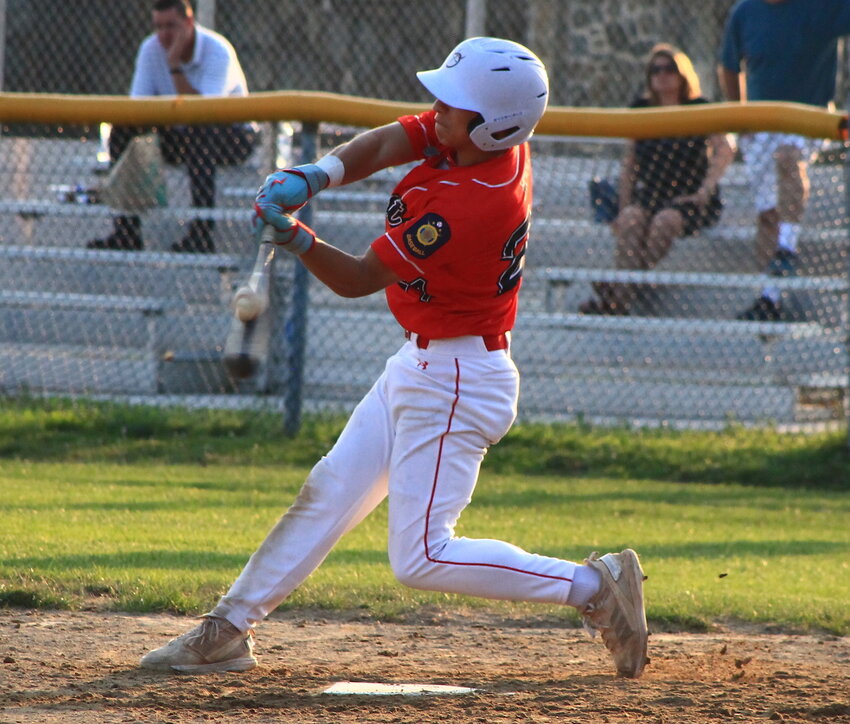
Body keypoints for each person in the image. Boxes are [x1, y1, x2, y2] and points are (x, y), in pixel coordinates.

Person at [139, 37, 649, 679]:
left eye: (452, 104)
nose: (437, 109)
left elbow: (354, 278)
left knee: (422, 557)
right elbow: (384, 144)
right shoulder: (479, 138)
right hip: (423, 364)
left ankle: (593, 585)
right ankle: (228, 628)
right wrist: (314, 175)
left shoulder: (471, 200)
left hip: (460, 379)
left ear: (494, 123)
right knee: (327, 492)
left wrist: (296, 236)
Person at [87, 0, 258, 253]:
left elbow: (203, 113)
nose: (164, 34)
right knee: (122, 128)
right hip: (177, 132)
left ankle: (201, 233)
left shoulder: (218, 50)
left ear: (189, 23)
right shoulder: (150, 48)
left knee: (199, 132)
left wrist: (175, 65)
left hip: (231, 137)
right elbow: (138, 109)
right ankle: (126, 231)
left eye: (171, 26)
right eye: (158, 26)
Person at [719, 0, 850, 321]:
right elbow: (728, 66)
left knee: (789, 157)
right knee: (767, 215)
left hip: (808, 119)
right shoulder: (745, 12)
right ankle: (769, 298)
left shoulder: (822, 7)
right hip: (761, 124)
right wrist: (740, 116)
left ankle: (787, 249)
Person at [580, 44, 734, 315]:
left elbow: (725, 148)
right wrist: (623, 205)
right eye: (656, 70)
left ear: (682, 74)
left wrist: (704, 191)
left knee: (665, 221)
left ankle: (618, 292)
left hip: (687, 196)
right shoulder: (642, 108)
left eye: (669, 69)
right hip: (650, 193)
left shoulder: (698, 107)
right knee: (631, 219)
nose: (662, 75)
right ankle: (620, 297)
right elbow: (630, 163)